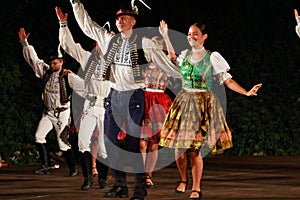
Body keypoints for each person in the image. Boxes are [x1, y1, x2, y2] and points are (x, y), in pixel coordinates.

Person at [68, 0, 175, 199]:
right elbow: (88, 26)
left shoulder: (143, 42)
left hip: (134, 96)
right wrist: (76, 4)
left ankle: (140, 188)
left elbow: (164, 62)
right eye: (118, 18)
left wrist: (184, 75)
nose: (120, 21)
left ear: (133, 21)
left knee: (134, 145)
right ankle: (120, 186)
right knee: (109, 142)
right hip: (114, 94)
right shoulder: (110, 39)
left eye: (124, 18)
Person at [158, 20, 262, 200]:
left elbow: (227, 80)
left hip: (202, 103)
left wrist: (246, 92)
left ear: (204, 36)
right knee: (178, 148)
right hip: (184, 101)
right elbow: (173, 58)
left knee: (196, 149)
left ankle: (196, 187)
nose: (191, 36)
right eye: (189, 33)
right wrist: (165, 36)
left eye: (195, 33)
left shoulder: (212, 57)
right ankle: (183, 179)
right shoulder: (185, 55)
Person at [56, 6, 113, 190]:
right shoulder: (89, 59)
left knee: (104, 148)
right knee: (82, 143)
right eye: (97, 43)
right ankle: (88, 178)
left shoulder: (116, 64)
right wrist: (63, 24)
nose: (99, 46)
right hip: (90, 105)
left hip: (105, 107)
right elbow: (69, 47)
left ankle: (103, 179)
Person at [18, 27, 79, 177]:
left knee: (62, 143)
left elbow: (84, 86)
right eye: (51, 63)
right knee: (39, 136)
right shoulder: (46, 72)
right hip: (48, 112)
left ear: (61, 62)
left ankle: (73, 168)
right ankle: (45, 166)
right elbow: (34, 60)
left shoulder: (67, 76)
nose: (52, 66)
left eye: (55, 63)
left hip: (62, 113)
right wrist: (25, 43)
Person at [139, 36, 175, 188]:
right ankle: (141, 174)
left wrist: (166, 36)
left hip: (159, 102)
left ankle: (148, 175)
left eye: (157, 45)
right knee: (141, 142)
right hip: (144, 100)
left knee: (154, 141)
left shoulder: (165, 64)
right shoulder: (144, 66)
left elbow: (172, 57)